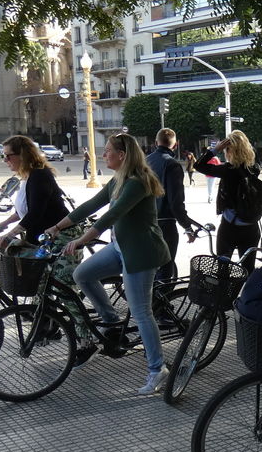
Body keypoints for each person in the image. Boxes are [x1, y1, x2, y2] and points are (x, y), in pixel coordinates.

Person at [44, 133, 171, 395]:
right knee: (83, 274)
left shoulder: (137, 182)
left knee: (141, 312)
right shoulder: (119, 179)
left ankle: (158, 370)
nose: (104, 155)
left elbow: (110, 216)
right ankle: (111, 321)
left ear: (122, 155)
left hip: (140, 253)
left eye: (108, 151)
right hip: (119, 248)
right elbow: (91, 205)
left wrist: (80, 240)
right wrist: (56, 227)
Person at [0, 135, 91, 347]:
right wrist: (1, 225)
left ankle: (86, 341)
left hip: (64, 237)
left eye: (8, 156)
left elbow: (36, 213)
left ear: (23, 154)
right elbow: (22, 212)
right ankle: (49, 327)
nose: (5, 160)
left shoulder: (40, 176)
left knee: (64, 288)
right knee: (41, 285)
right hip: (45, 239)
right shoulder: (27, 177)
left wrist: (10, 235)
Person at [193, 130, 262, 270]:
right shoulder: (254, 169)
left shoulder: (227, 170)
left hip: (229, 228)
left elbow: (198, 166)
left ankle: (225, 292)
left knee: (222, 270)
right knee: (247, 270)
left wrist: (215, 150)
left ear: (228, 150)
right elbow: (253, 155)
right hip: (251, 227)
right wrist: (242, 143)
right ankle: (245, 292)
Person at [145, 128, 195, 282]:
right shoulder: (172, 164)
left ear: (155, 143)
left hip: (144, 223)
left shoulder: (145, 161)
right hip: (165, 224)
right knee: (166, 268)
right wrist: (187, 227)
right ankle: (159, 304)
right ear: (176, 145)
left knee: (148, 269)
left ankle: (149, 302)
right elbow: (176, 202)